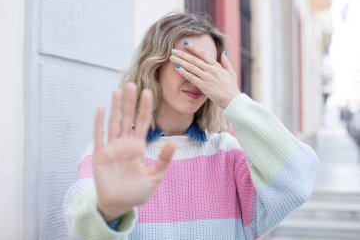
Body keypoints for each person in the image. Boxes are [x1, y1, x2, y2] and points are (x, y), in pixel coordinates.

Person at [63, 12, 319, 239]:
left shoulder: (229, 155)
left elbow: (297, 182)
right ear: (154, 66)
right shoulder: (115, 154)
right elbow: (83, 228)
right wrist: (109, 212)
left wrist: (234, 100)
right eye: (186, 62)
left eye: (208, 68)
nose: (197, 78)